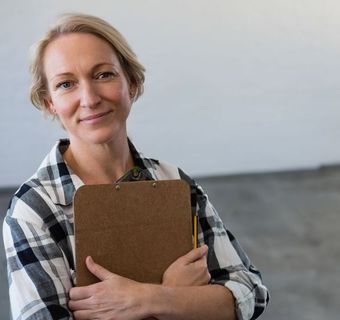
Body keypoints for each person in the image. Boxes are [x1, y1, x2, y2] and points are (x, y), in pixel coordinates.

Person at [3, 13, 269, 320]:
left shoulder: (174, 181)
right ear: (50, 103)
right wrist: (186, 300)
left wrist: (151, 299)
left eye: (103, 75)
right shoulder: (33, 212)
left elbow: (249, 291)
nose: (89, 98)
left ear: (132, 81)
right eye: (66, 84)